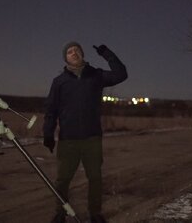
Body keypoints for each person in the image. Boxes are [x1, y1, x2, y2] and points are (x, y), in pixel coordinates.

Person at [43, 42, 128, 223]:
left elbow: (121, 74)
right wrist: (48, 133)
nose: (73, 53)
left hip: (92, 139)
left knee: (95, 178)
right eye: (69, 51)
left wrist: (107, 53)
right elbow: (51, 110)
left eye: (76, 50)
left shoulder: (96, 75)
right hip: (68, 141)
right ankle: (60, 212)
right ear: (65, 58)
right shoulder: (59, 82)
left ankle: (95, 214)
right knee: (63, 179)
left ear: (82, 54)